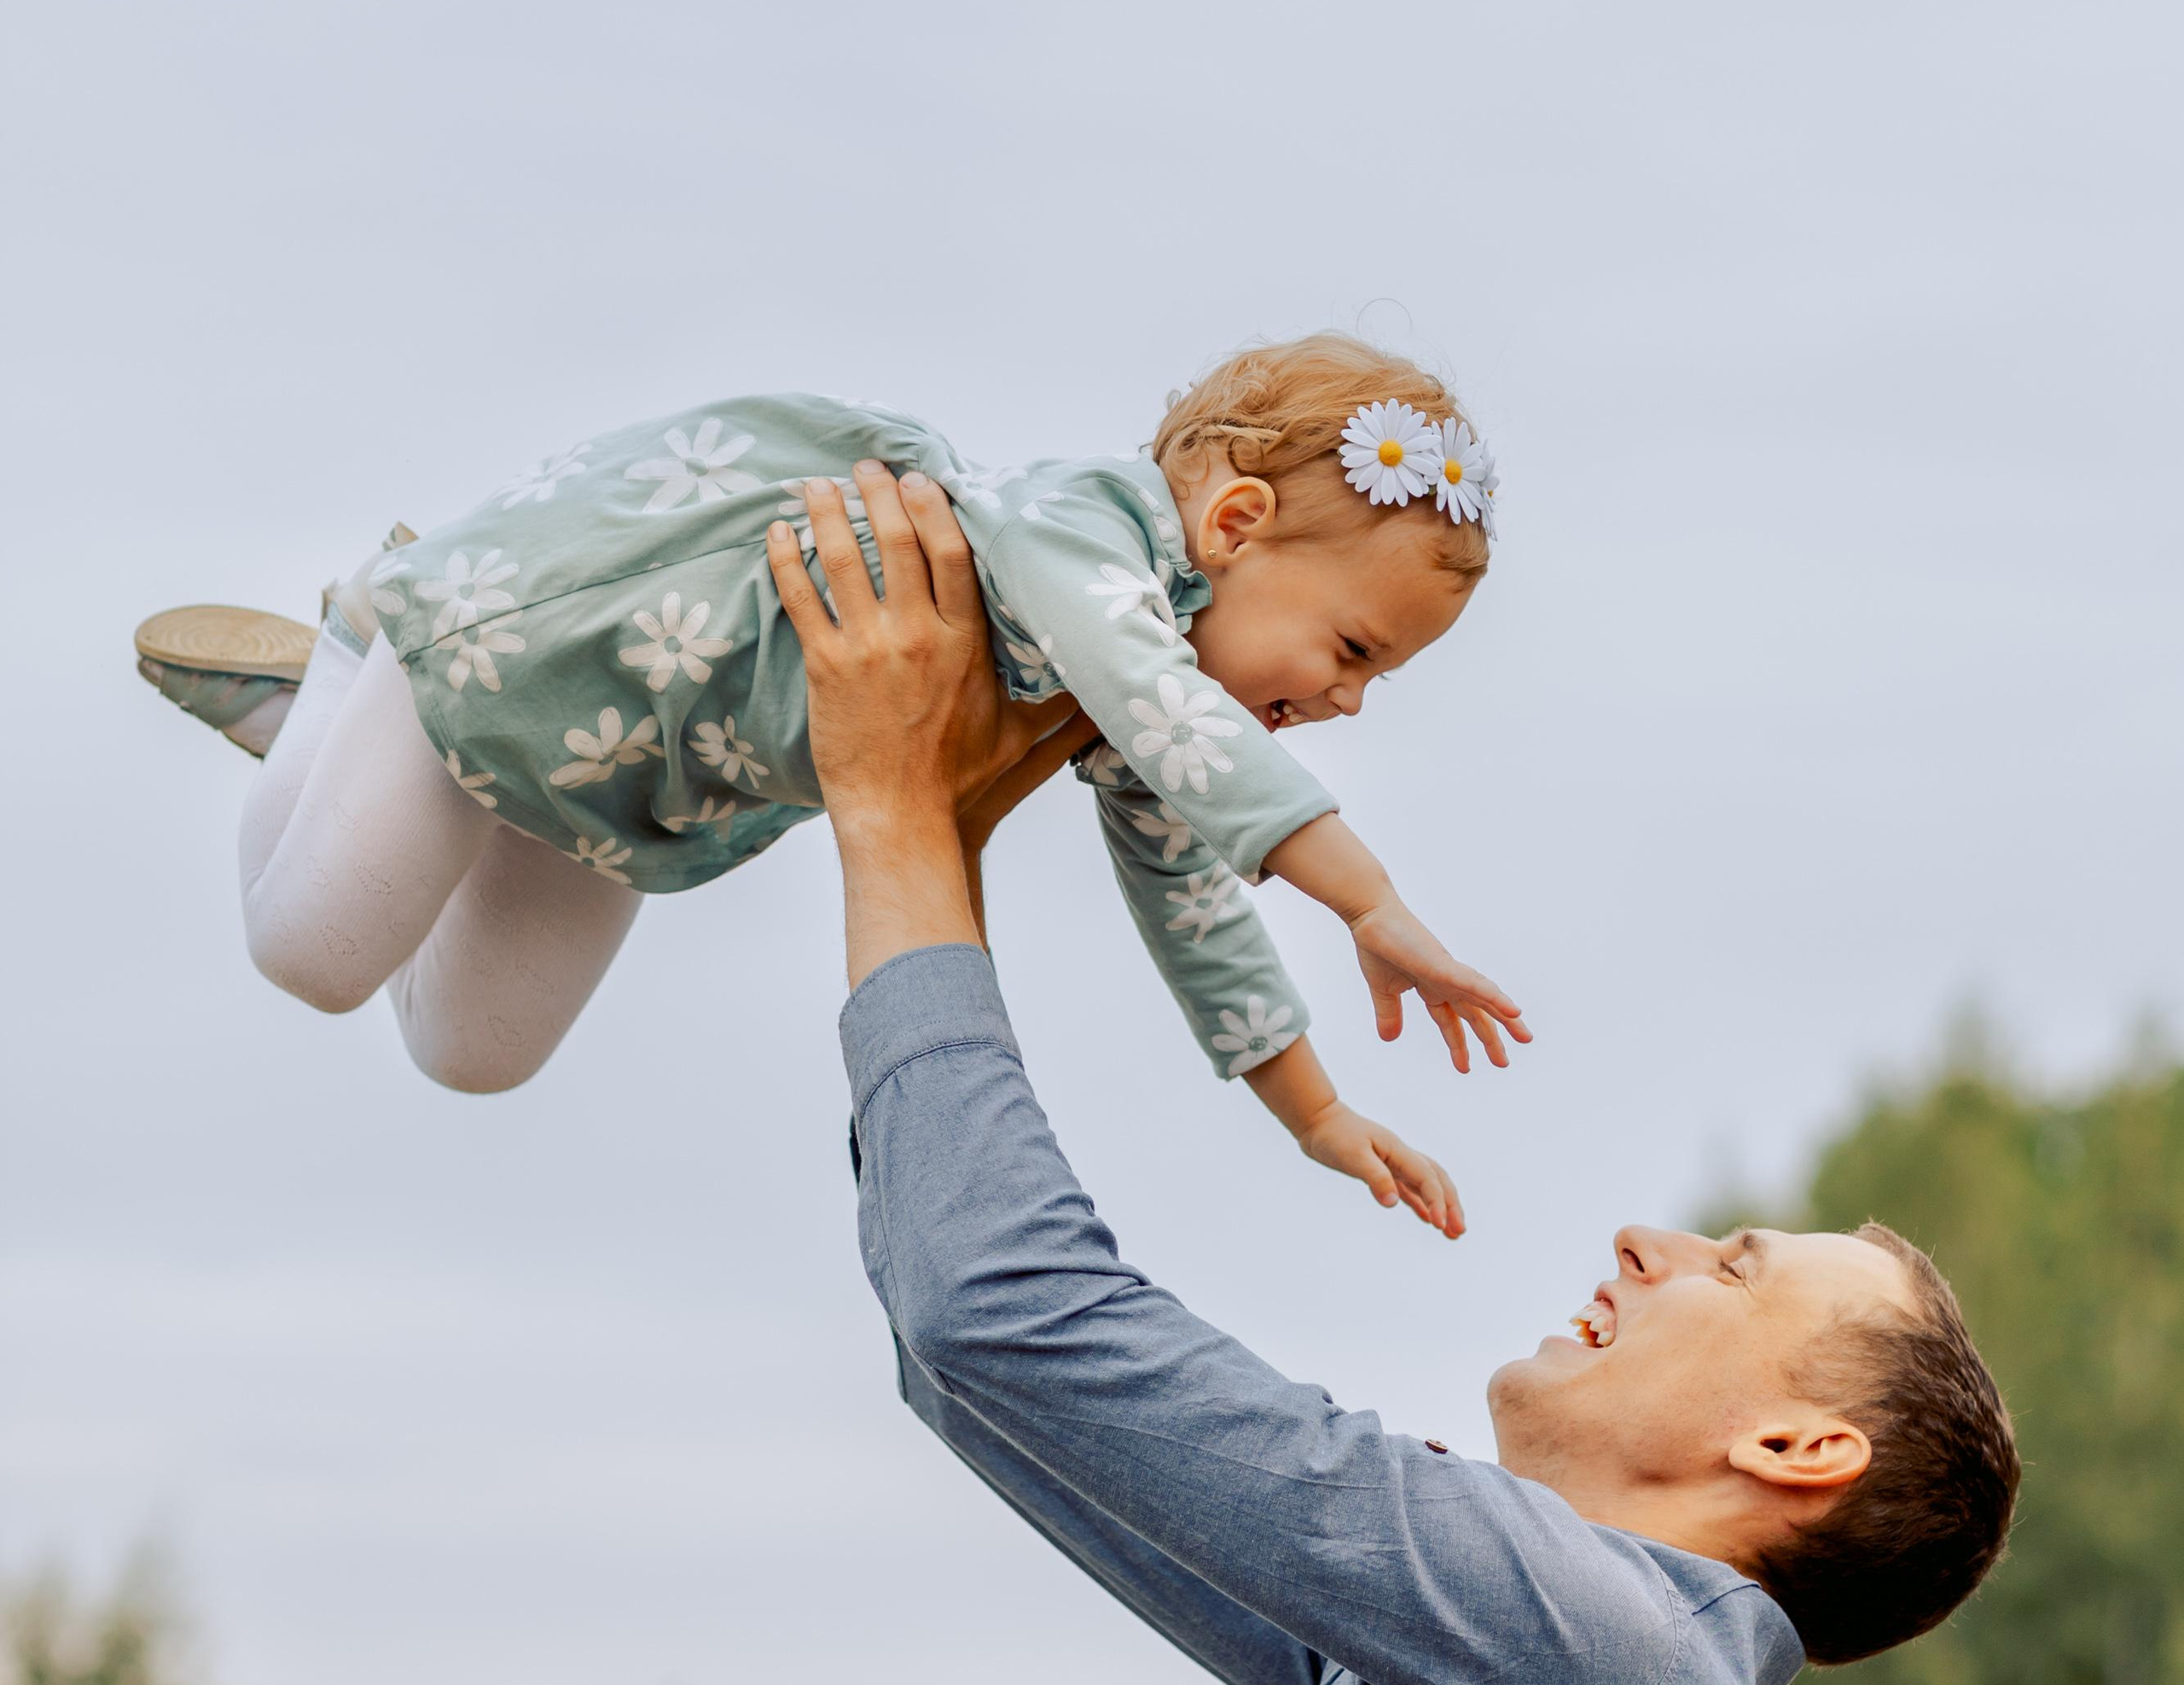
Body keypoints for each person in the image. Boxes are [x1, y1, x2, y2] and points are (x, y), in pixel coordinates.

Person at [768, 462, 2021, 1685]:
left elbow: (1003, 1314)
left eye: (1736, 1265)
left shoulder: (1589, 1647)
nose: (1650, 1238)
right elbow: (974, 1364)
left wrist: (884, 805)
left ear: (1795, 1454)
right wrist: (941, 822)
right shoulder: (1488, 1679)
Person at [132, 333, 1526, 1223]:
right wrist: (1368, 899)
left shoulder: (1133, 714)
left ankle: (365, 786)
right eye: (1351, 646)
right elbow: (1175, 713)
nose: (1343, 699)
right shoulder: (1081, 538)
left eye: (1375, 679)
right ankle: (349, 651)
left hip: (627, 789)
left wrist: (1318, 1114)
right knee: (311, 955)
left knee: (470, 1057)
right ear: (1231, 523)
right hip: (524, 663)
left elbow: (1197, 900)